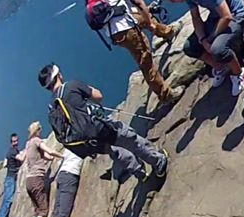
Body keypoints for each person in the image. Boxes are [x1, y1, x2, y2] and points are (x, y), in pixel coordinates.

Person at [38, 64, 168, 181]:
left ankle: (139, 173)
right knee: (130, 139)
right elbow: (98, 96)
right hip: (100, 128)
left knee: (115, 151)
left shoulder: (52, 109)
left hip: (88, 143)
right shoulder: (71, 86)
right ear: (58, 75)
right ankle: (158, 162)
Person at [105, 0, 182, 104]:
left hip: (114, 30)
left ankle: (167, 32)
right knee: (146, 60)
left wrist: (147, 16)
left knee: (143, 15)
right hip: (126, 29)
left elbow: (134, 8)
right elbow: (138, 1)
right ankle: (166, 95)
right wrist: (151, 23)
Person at [160, 0, 244, 97]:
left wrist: (211, 38)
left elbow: (227, 16)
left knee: (217, 48)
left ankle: (239, 74)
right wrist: (202, 39)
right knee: (190, 47)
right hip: (217, 17)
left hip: (236, 14)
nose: (173, 2)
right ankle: (220, 67)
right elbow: (196, 17)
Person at [21, 122, 63, 217]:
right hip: (37, 179)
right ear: (37, 130)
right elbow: (49, 151)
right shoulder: (37, 141)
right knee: (44, 210)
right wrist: (62, 155)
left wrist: (52, 158)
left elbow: (46, 156)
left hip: (29, 181)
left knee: (37, 211)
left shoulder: (28, 144)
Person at [0, 134, 24, 217]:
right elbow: (21, 158)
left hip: (11, 178)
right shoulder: (12, 151)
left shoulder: (13, 151)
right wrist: (28, 149)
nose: (15, 143)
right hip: (10, 179)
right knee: (8, 199)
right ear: (11, 142)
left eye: (16, 141)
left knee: (6, 200)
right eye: (13, 141)